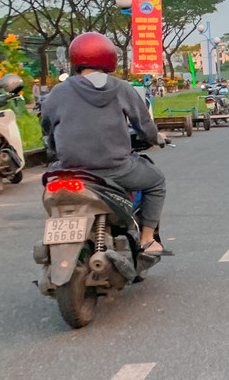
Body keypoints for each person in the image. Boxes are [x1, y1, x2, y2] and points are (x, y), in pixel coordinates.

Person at [39, 32, 168, 255]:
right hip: (115, 170)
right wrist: (156, 138)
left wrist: (53, 149)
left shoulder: (58, 92)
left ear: (75, 59)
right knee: (156, 182)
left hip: (69, 171)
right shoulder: (121, 88)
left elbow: (47, 127)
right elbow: (144, 126)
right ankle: (147, 239)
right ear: (110, 58)